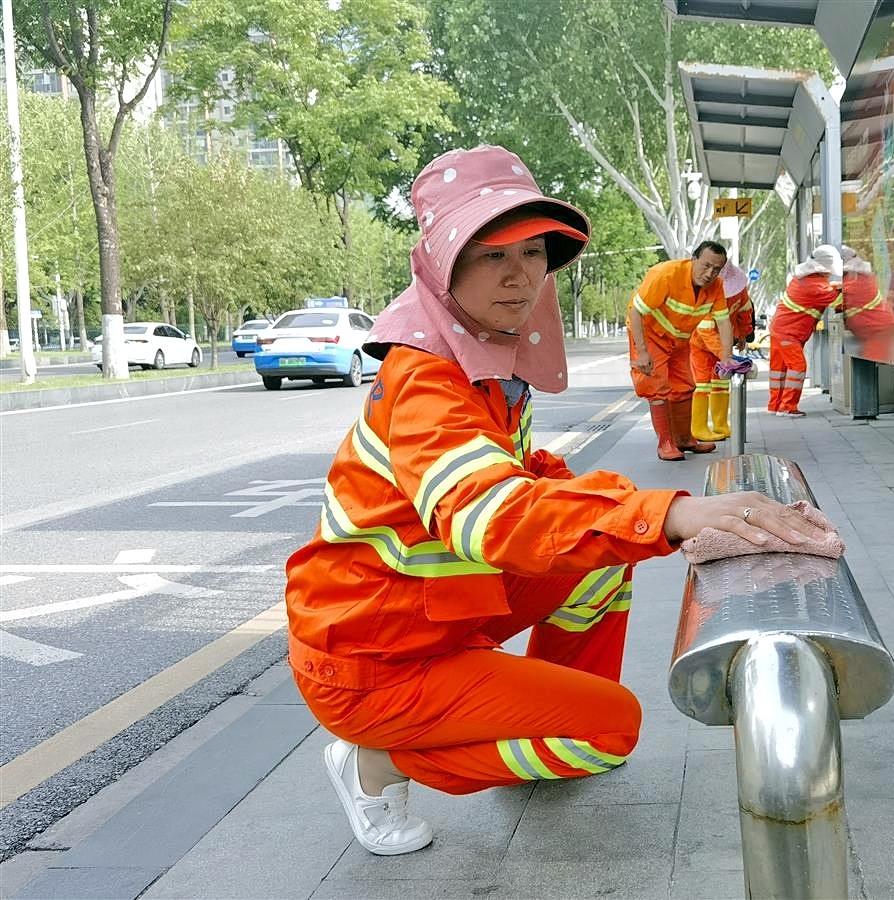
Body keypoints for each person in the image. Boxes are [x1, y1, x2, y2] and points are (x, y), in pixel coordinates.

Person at [284, 145, 822, 857]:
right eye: (489, 254)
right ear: (442, 266)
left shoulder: (480, 358)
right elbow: (496, 510)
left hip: (431, 617)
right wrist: (666, 515)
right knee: (612, 731)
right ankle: (376, 763)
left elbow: (530, 474)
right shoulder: (429, 379)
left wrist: (649, 510)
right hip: (373, 662)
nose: (519, 275)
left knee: (603, 563)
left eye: (533, 252)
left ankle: (544, 715)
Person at [627, 241, 734, 461]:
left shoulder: (716, 286)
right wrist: (642, 352)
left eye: (716, 269)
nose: (709, 273)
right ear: (693, 259)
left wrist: (727, 358)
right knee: (656, 387)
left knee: (685, 386)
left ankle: (684, 439)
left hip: (679, 339)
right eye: (706, 265)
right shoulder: (666, 275)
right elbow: (636, 312)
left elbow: (724, 322)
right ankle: (665, 444)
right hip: (649, 334)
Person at [768, 245, 842, 416]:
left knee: (779, 369)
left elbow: (826, 288)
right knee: (797, 366)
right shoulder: (816, 285)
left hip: (780, 329)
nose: (830, 275)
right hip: (789, 333)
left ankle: (775, 405)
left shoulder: (804, 279)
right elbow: (837, 301)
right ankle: (787, 407)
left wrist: (837, 286)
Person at [688, 261, 754, 441]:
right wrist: (725, 354)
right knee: (702, 384)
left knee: (721, 383)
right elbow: (705, 331)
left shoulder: (740, 291)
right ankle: (699, 428)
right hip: (700, 345)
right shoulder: (707, 295)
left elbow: (745, 312)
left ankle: (721, 425)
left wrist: (743, 334)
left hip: (724, 342)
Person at [839, 245, 894, 360]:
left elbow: (834, 298)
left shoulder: (855, 282)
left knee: (872, 362)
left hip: (878, 332)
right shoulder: (858, 277)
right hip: (874, 331)